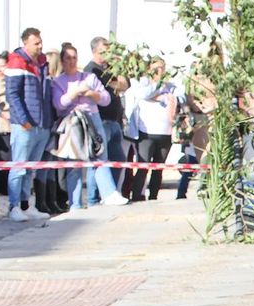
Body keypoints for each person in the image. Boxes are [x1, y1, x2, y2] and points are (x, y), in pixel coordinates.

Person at [50, 43, 127, 210]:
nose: (71, 61)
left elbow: (106, 99)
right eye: (68, 58)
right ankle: (75, 204)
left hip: (93, 119)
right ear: (62, 61)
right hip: (72, 122)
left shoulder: (89, 77)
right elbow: (59, 104)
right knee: (74, 165)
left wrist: (92, 94)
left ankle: (108, 193)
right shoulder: (58, 82)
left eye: (74, 58)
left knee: (100, 157)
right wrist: (75, 92)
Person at [4, 26, 52, 221]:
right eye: (36, 43)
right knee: (19, 167)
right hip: (24, 125)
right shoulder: (17, 62)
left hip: (41, 124)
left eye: (40, 42)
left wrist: (47, 121)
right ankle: (14, 206)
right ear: (25, 43)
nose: (40, 46)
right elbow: (12, 94)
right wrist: (23, 120)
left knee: (30, 168)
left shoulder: (42, 63)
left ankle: (26, 204)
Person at [124, 58, 178, 202]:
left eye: (162, 68)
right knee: (143, 166)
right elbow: (143, 94)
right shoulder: (143, 83)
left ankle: (154, 197)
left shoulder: (170, 85)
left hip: (165, 133)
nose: (159, 71)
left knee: (158, 168)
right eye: (156, 68)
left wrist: (159, 96)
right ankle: (136, 196)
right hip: (146, 133)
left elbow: (175, 99)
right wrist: (159, 91)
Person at [85, 37, 129, 198]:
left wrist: (115, 77)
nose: (108, 55)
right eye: (104, 52)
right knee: (98, 162)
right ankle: (93, 198)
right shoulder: (91, 70)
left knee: (118, 159)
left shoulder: (112, 68)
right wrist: (113, 83)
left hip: (115, 121)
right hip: (100, 121)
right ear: (95, 51)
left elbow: (125, 84)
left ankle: (110, 194)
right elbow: (99, 91)